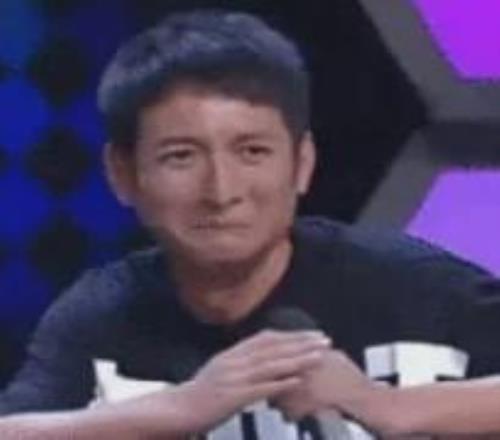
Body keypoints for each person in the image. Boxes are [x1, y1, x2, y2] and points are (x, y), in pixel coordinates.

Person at [1, 8, 500, 439]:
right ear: (123, 174)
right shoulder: (103, 314)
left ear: (302, 163)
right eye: (181, 156)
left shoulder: (416, 286)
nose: (222, 191)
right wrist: (182, 408)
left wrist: (385, 405)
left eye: (253, 152)